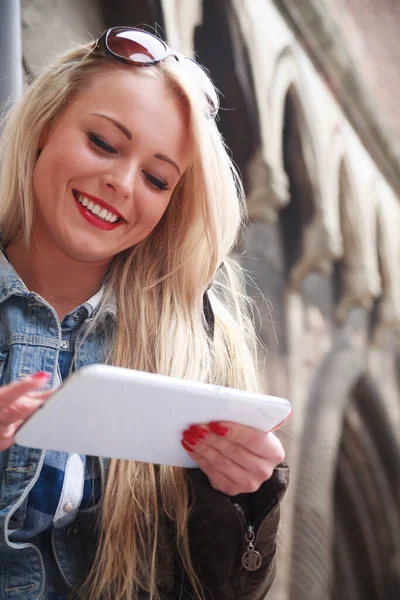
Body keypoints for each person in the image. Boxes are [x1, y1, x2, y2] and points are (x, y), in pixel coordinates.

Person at [0, 27, 289, 600]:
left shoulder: (199, 349)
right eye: (103, 142)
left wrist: (242, 500)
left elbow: (225, 589)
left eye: (158, 179)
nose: (122, 183)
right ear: (42, 129)